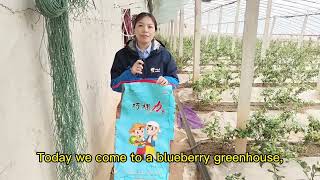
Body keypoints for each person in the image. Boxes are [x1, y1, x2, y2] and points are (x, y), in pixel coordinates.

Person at [110, 12, 179, 92]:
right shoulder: (122, 55)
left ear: (155, 31)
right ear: (134, 29)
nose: (145, 30)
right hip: (134, 104)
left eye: (150, 27)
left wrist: (167, 81)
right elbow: (114, 85)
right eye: (140, 25)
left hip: (157, 103)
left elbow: (175, 81)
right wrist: (130, 73)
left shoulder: (164, 55)